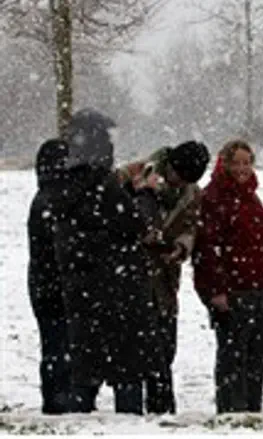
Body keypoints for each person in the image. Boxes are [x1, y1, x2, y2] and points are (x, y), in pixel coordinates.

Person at [51, 108, 162, 414]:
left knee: (85, 378)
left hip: (84, 298)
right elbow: (136, 225)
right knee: (127, 378)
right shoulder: (102, 185)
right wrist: (145, 194)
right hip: (120, 299)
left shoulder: (64, 187)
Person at [117, 140, 210, 414]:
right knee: (135, 351)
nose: (179, 183)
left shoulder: (192, 194)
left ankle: (161, 409)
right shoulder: (134, 175)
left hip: (165, 280)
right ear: (170, 166)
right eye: (177, 176)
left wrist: (181, 247)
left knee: (164, 349)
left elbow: (191, 225)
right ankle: (133, 413)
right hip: (131, 276)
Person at [192, 139, 263, 414]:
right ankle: (232, 413)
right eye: (237, 163)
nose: (243, 169)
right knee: (233, 357)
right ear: (225, 165)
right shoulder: (215, 198)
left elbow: (259, 244)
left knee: (261, 350)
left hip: (257, 287)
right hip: (232, 290)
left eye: (247, 163)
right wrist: (216, 291)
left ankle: (252, 410)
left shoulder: (251, 197)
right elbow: (208, 248)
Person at [27, 139, 71, 414]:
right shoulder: (56, 201)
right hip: (59, 284)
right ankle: (58, 402)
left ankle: (56, 400)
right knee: (60, 347)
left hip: (44, 283)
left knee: (54, 346)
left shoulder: (43, 197)